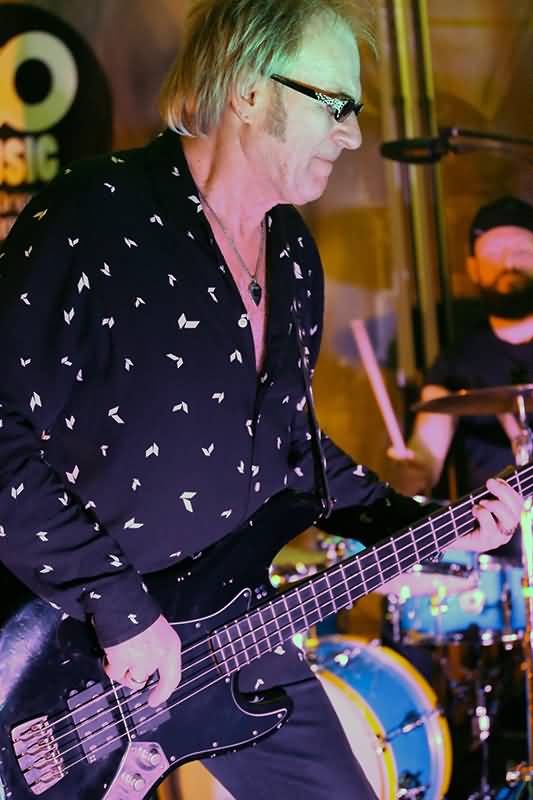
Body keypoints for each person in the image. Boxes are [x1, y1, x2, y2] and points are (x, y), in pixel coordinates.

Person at [0, 3, 523, 798]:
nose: (352, 134)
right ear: (247, 89)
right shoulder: (91, 215)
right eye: (334, 104)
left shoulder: (292, 251)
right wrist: (119, 610)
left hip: (230, 630)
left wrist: (430, 525)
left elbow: (290, 449)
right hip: (66, 654)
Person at [388, 196, 533, 559]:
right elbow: (426, 459)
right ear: (473, 268)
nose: (509, 263)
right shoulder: (456, 361)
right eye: (495, 252)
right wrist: (409, 471)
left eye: (521, 250)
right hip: (495, 560)